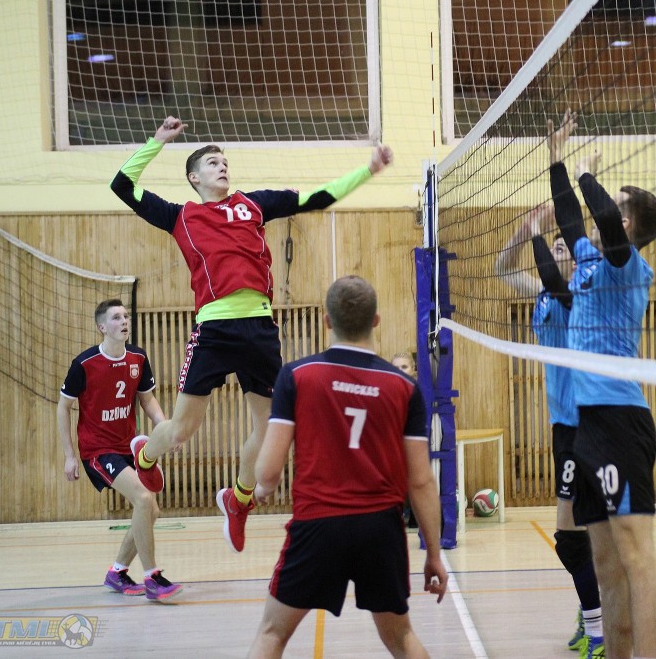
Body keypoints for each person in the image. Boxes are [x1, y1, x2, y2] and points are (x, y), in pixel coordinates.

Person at [110, 116, 393, 553]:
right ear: (194, 177)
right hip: (213, 329)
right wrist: (157, 141)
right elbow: (122, 186)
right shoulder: (180, 216)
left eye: (224, 162)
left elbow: (315, 198)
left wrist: (368, 170)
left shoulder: (254, 205)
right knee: (181, 431)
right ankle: (146, 454)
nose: (222, 166)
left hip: (260, 328)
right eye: (212, 163)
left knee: (270, 428)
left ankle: (238, 500)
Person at [247, 276, 447, 659]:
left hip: (317, 526)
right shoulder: (404, 387)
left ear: (326, 321)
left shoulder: (297, 376)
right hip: (380, 530)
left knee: (272, 633)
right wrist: (434, 553)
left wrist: (260, 490)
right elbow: (421, 481)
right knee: (401, 638)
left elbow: (268, 472)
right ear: (376, 320)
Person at [548, 110, 656, 659]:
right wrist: (557, 159)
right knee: (603, 562)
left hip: (620, 419)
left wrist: (586, 171)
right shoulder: (592, 260)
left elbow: (601, 219)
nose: (609, 214)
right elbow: (572, 220)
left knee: (635, 554)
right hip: (585, 424)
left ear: (631, 223)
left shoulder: (628, 266)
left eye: (619, 208)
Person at [495, 202, 606, 656]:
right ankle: (594, 613)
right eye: (555, 246)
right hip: (563, 426)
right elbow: (503, 269)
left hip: (585, 425)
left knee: (571, 537)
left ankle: (598, 628)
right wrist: (526, 231)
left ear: (578, 260)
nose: (559, 249)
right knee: (580, 535)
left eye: (566, 246)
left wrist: (558, 232)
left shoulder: (578, 295)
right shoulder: (543, 292)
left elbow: (588, 247)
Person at [57, 298, 182, 603]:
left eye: (125, 316)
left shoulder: (138, 358)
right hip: (98, 450)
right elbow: (63, 407)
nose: (124, 321)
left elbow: (147, 400)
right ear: (102, 327)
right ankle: (152, 577)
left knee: (151, 510)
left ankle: (117, 572)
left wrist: (167, 430)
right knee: (143, 499)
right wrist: (69, 456)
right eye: (116, 318)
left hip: (127, 445)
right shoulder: (84, 364)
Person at [391, 351, 420, 529]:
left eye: (404, 367)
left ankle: (417, 516)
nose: (400, 371)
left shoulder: (418, 392)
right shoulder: (386, 391)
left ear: (413, 369)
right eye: (396, 368)